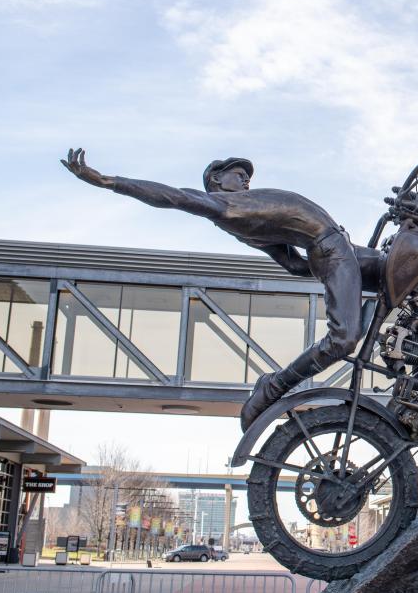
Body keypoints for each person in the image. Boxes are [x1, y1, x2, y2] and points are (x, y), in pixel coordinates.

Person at [61, 148, 381, 430]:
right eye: (239, 175)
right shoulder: (225, 207)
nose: (246, 182)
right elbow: (171, 196)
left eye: (246, 178)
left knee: (410, 271)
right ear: (216, 181)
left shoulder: (249, 210)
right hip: (333, 251)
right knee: (344, 338)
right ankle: (274, 386)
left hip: (339, 249)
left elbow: (296, 266)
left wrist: (340, 270)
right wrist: (109, 181)